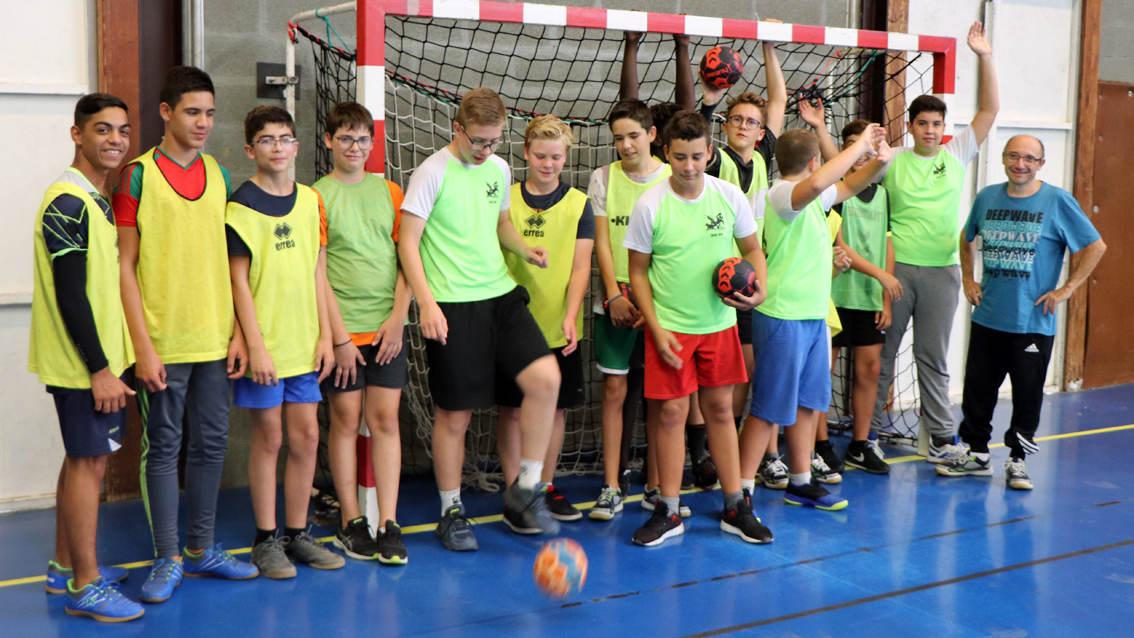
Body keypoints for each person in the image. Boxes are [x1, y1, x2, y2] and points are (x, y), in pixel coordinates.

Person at [114, 66, 257, 603]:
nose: (203, 122)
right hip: (162, 343)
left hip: (216, 340)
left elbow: (229, 261)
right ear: (166, 112)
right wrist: (142, 347)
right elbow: (124, 267)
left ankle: (201, 550)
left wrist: (239, 332)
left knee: (213, 445)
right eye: (193, 112)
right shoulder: (137, 175)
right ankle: (168, 557)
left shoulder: (219, 174)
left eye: (210, 113)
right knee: (164, 447)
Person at [398, 88, 562, 551]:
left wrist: (522, 247)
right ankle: (451, 511)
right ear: (458, 128)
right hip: (452, 302)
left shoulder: (498, 167)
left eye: (494, 141)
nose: (486, 150)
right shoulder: (431, 172)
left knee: (545, 379)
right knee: (456, 416)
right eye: (479, 141)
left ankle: (525, 490)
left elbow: (501, 223)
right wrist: (426, 304)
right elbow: (408, 243)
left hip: (500, 295)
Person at [624, 111, 771, 546]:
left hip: (719, 325)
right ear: (665, 153)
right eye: (681, 157)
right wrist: (654, 326)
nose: (689, 166)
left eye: (698, 156)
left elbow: (752, 249)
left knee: (721, 411)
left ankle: (735, 506)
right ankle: (668, 511)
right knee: (670, 414)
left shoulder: (729, 196)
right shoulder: (650, 203)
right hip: (669, 328)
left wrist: (760, 292)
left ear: (710, 153)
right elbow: (637, 273)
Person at [31, 93, 143, 622]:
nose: (115, 139)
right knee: (88, 465)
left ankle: (63, 566)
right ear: (77, 135)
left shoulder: (95, 198)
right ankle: (86, 584)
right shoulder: (69, 202)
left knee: (82, 460)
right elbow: (71, 294)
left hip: (97, 361)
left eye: (121, 130)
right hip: (83, 366)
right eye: (102, 129)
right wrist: (99, 369)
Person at [938, 135, 1105, 488]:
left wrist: (1066, 289)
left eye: (1029, 158)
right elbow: (966, 238)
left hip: (1032, 321)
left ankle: (1018, 459)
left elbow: (1095, 245)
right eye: (1014, 156)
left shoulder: (1057, 201)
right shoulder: (987, 197)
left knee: (1027, 394)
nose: (1020, 164)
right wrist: (969, 279)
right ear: (1003, 158)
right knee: (978, 390)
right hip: (988, 315)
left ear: (1040, 164)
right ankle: (977, 453)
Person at [739, 124, 890, 512]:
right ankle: (739, 492)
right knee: (768, 408)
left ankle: (801, 481)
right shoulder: (782, 195)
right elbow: (826, 180)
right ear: (813, 162)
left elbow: (851, 185)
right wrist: (858, 145)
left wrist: (880, 160)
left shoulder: (815, 199)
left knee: (808, 403)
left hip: (812, 316)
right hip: (782, 316)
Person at [870, 22, 999, 462]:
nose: (929, 130)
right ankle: (865, 436)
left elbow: (989, 110)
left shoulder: (956, 153)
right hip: (896, 272)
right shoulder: (892, 160)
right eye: (922, 123)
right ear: (909, 126)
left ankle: (942, 439)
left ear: (944, 127)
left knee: (933, 359)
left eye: (936, 124)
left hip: (943, 272)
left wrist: (983, 55)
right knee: (881, 357)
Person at [227, 106, 342, 578]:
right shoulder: (241, 204)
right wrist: (255, 344)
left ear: (297, 146)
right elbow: (237, 282)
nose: (278, 147)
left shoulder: (311, 200)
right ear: (251, 149)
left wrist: (328, 338)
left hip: (304, 343)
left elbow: (318, 272)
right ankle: (265, 538)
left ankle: (297, 533)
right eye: (268, 140)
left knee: (308, 435)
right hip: (266, 346)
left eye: (286, 139)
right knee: (270, 437)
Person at [314, 102, 411, 564]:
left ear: (373, 144)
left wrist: (398, 318)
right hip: (344, 336)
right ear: (330, 141)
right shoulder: (317, 196)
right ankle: (352, 520)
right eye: (345, 138)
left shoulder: (390, 191)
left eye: (362, 139)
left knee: (386, 420)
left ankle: (389, 521)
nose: (355, 147)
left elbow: (408, 260)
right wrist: (339, 339)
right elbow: (318, 276)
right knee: (346, 420)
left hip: (387, 331)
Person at [496, 115, 595, 532]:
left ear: (566, 157)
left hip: (559, 322)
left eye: (556, 157)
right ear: (525, 153)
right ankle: (515, 490)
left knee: (554, 410)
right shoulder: (506, 198)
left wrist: (572, 315)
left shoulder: (579, 205)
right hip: (512, 321)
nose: (548, 163)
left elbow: (580, 268)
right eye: (540, 155)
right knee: (513, 410)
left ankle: (541, 485)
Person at [700, 31, 789, 490]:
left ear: (759, 131)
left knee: (752, 371)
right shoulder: (715, 162)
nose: (743, 125)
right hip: (714, 279)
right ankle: (711, 456)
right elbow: (697, 132)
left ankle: (749, 454)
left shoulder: (766, 156)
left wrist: (769, 48)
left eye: (750, 121)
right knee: (720, 379)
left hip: (752, 278)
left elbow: (779, 100)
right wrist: (710, 102)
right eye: (735, 118)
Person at [801, 110, 904, 475]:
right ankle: (819, 443)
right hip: (830, 295)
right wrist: (882, 276)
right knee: (820, 374)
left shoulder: (883, 195)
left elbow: (887, 246)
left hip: (868, 297)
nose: (860, 154)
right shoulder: (835, 192)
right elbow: (842, 246)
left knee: (870, 370)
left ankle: (861, 444)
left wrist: (884, 294)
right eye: (850, 147)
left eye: (866, 147)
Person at [586, 99, 672, 522]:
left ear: (653, 135)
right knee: (615, 391)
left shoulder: (676, 178)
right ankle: (611, 485)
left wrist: (651, 303)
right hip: (617, 302)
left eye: (633, 135)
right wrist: (612, 295)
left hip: (662, 303)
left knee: (660, 396)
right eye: (618, 137)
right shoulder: (602, 178)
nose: (625, 144)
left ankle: (656, 486)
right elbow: (602, 242)